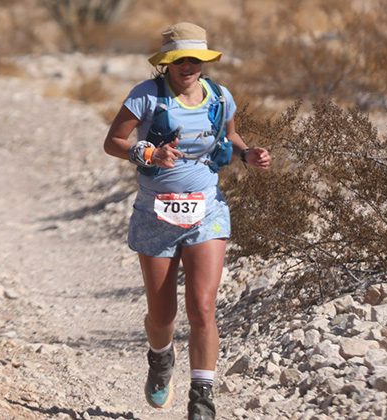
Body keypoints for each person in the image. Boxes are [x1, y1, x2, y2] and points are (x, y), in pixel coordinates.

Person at [103, 22, 271, 420]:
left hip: (206, 212)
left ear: (204, 60)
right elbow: (113, 141)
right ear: (167, 62)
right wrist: (147, 154)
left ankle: (202, 398)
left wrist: (248, 155)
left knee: (203, 308)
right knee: (162, 317)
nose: (187, 65)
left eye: (194, 58)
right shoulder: (145, 96)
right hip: (156, 213)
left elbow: (229, 139)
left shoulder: (219, 95)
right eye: (179, 58)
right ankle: (161, 359)